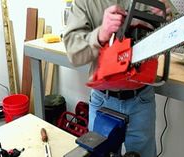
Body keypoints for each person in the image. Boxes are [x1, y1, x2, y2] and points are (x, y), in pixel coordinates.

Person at [64, 0, 172, 156]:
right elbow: (73, 53)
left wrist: (165, 19)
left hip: (141, 98)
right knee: (100, 153)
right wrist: (101, 34)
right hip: (103, 99)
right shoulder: (85, 2)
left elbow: (179, 31)